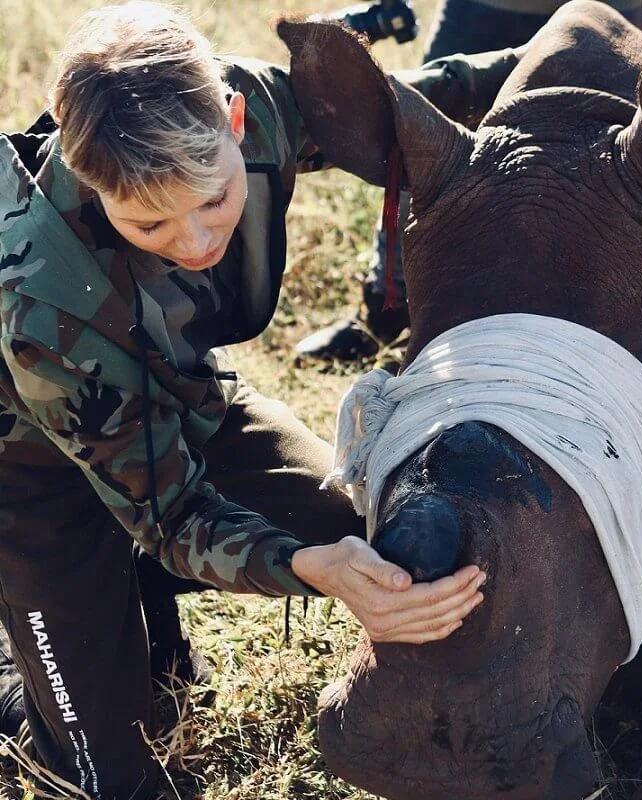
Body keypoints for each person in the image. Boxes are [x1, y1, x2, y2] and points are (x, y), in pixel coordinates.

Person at [0, 3, 490, 796]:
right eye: (149, 224)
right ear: (86, 180)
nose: (195, 243)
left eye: (212, 201)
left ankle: (140, 588)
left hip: (177, 401)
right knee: (112, 779)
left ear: (232, 120)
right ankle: (39, 654)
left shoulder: (250, 106)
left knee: (361, 522)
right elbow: (169, 515)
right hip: (35, 467)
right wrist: (309, 569)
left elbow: (409, 105)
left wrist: (556, 71)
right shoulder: (45, 303)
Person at [295, 0, 642, 360]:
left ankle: (581, 334)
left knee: (600, 177)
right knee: (419, 152)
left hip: (606, 13)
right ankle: (387, 313)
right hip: (478, 10)